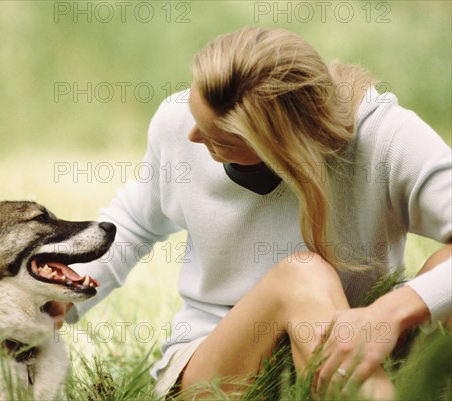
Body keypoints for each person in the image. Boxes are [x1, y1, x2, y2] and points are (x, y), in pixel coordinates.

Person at [58, 27, 452, 399]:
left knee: (443, 272)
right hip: (224, 364)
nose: (194, 136)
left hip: (362, 347)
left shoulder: (382, 138)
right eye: (195, 117)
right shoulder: (179, 124)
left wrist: (390, 313)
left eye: (218, 137)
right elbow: (134, 222)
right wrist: (61, 294)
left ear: (282, 147)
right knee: (302, 276)